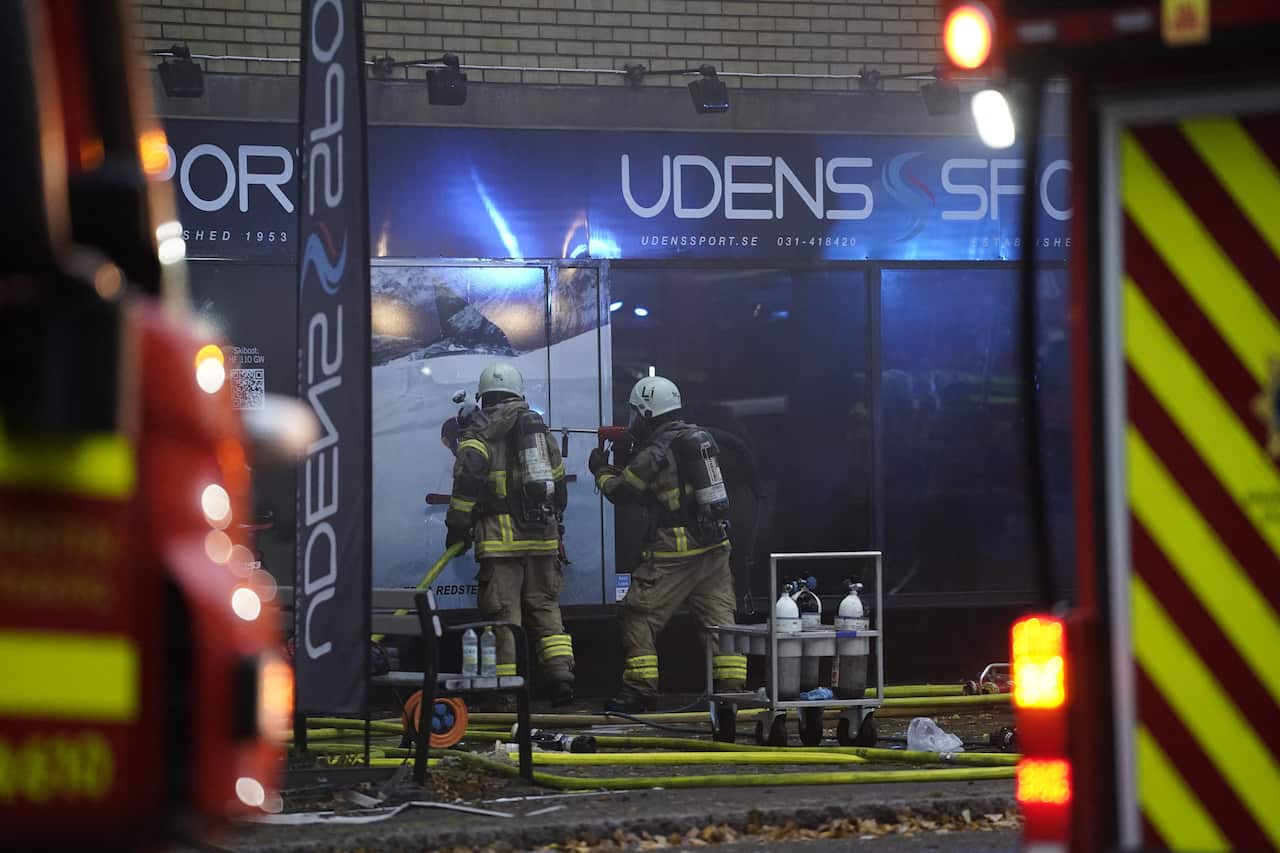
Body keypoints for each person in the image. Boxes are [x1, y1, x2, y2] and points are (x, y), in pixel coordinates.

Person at [589, 375, 747, 712]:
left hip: (676, 550)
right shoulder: (695, 437)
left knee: (638, 614)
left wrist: (601, 471)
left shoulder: (656, 450)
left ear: (646, 412)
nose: (632, 421)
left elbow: (623, 493)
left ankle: (639, 689)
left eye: (635, 414)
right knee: (719, 621)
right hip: (715, 546)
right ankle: (732, 690)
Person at [445, 362, 575, 705]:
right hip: (543, 537)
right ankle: (560, 675)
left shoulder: (480, 431)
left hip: (500, 541)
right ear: (518, 392)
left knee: (504, 614)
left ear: (483, 396)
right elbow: (559, 491)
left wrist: (457, 526)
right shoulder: (540, 431)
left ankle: (506, 691)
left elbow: (467, 481)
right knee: (545, 606)